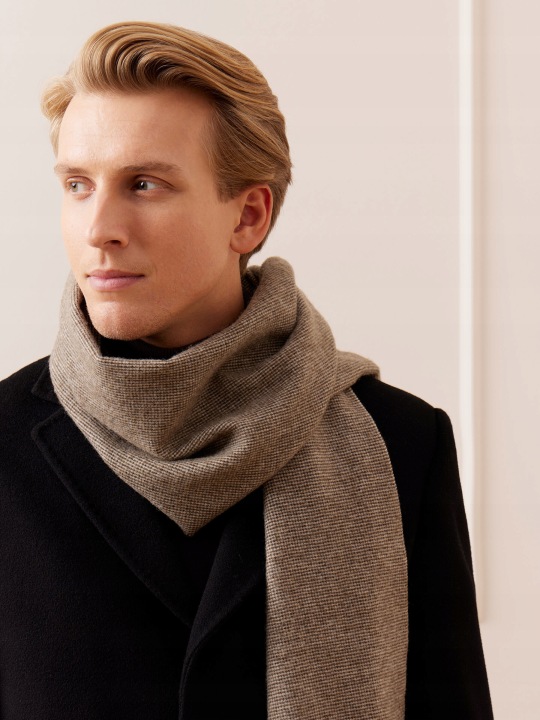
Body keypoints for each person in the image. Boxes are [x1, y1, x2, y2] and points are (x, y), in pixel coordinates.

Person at [0, 21, 493, 720]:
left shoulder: (403, 445)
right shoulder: (5, 442)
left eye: (144, 184)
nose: (99, 227)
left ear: (249, 217)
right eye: (77, 185)